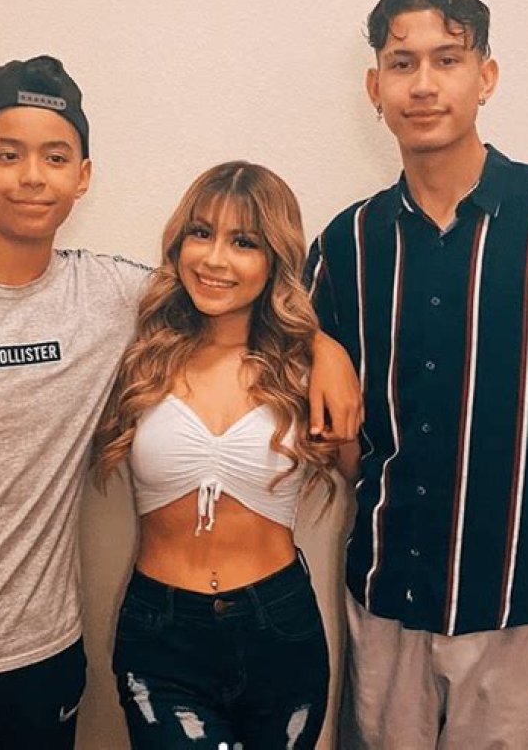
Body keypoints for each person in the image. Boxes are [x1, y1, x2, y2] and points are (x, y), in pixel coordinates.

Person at [0, 56, 360, 749]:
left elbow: (233, 300)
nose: (33, 176)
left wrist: (322, 345)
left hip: (48, 651)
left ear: (83, 176)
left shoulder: (108, 296)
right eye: (9, 155)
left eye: (55, 157)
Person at [306, 0, 528, 749]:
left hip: (527, 617)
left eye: (448, 59)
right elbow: (278, 351)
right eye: (402, 63)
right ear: (375, 87)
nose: (423, 84)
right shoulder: (346, 245)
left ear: (485, 76)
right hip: (385, 609)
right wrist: (318, 343)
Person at [94, 161, 337, 749]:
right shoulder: (141, 353)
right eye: (201, 233)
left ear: (274, 258)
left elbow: (371, 477)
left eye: (244, 242)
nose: (215, 259)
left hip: (280, 629)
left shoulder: (307, 371)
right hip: (162, 635)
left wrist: (326, 348)